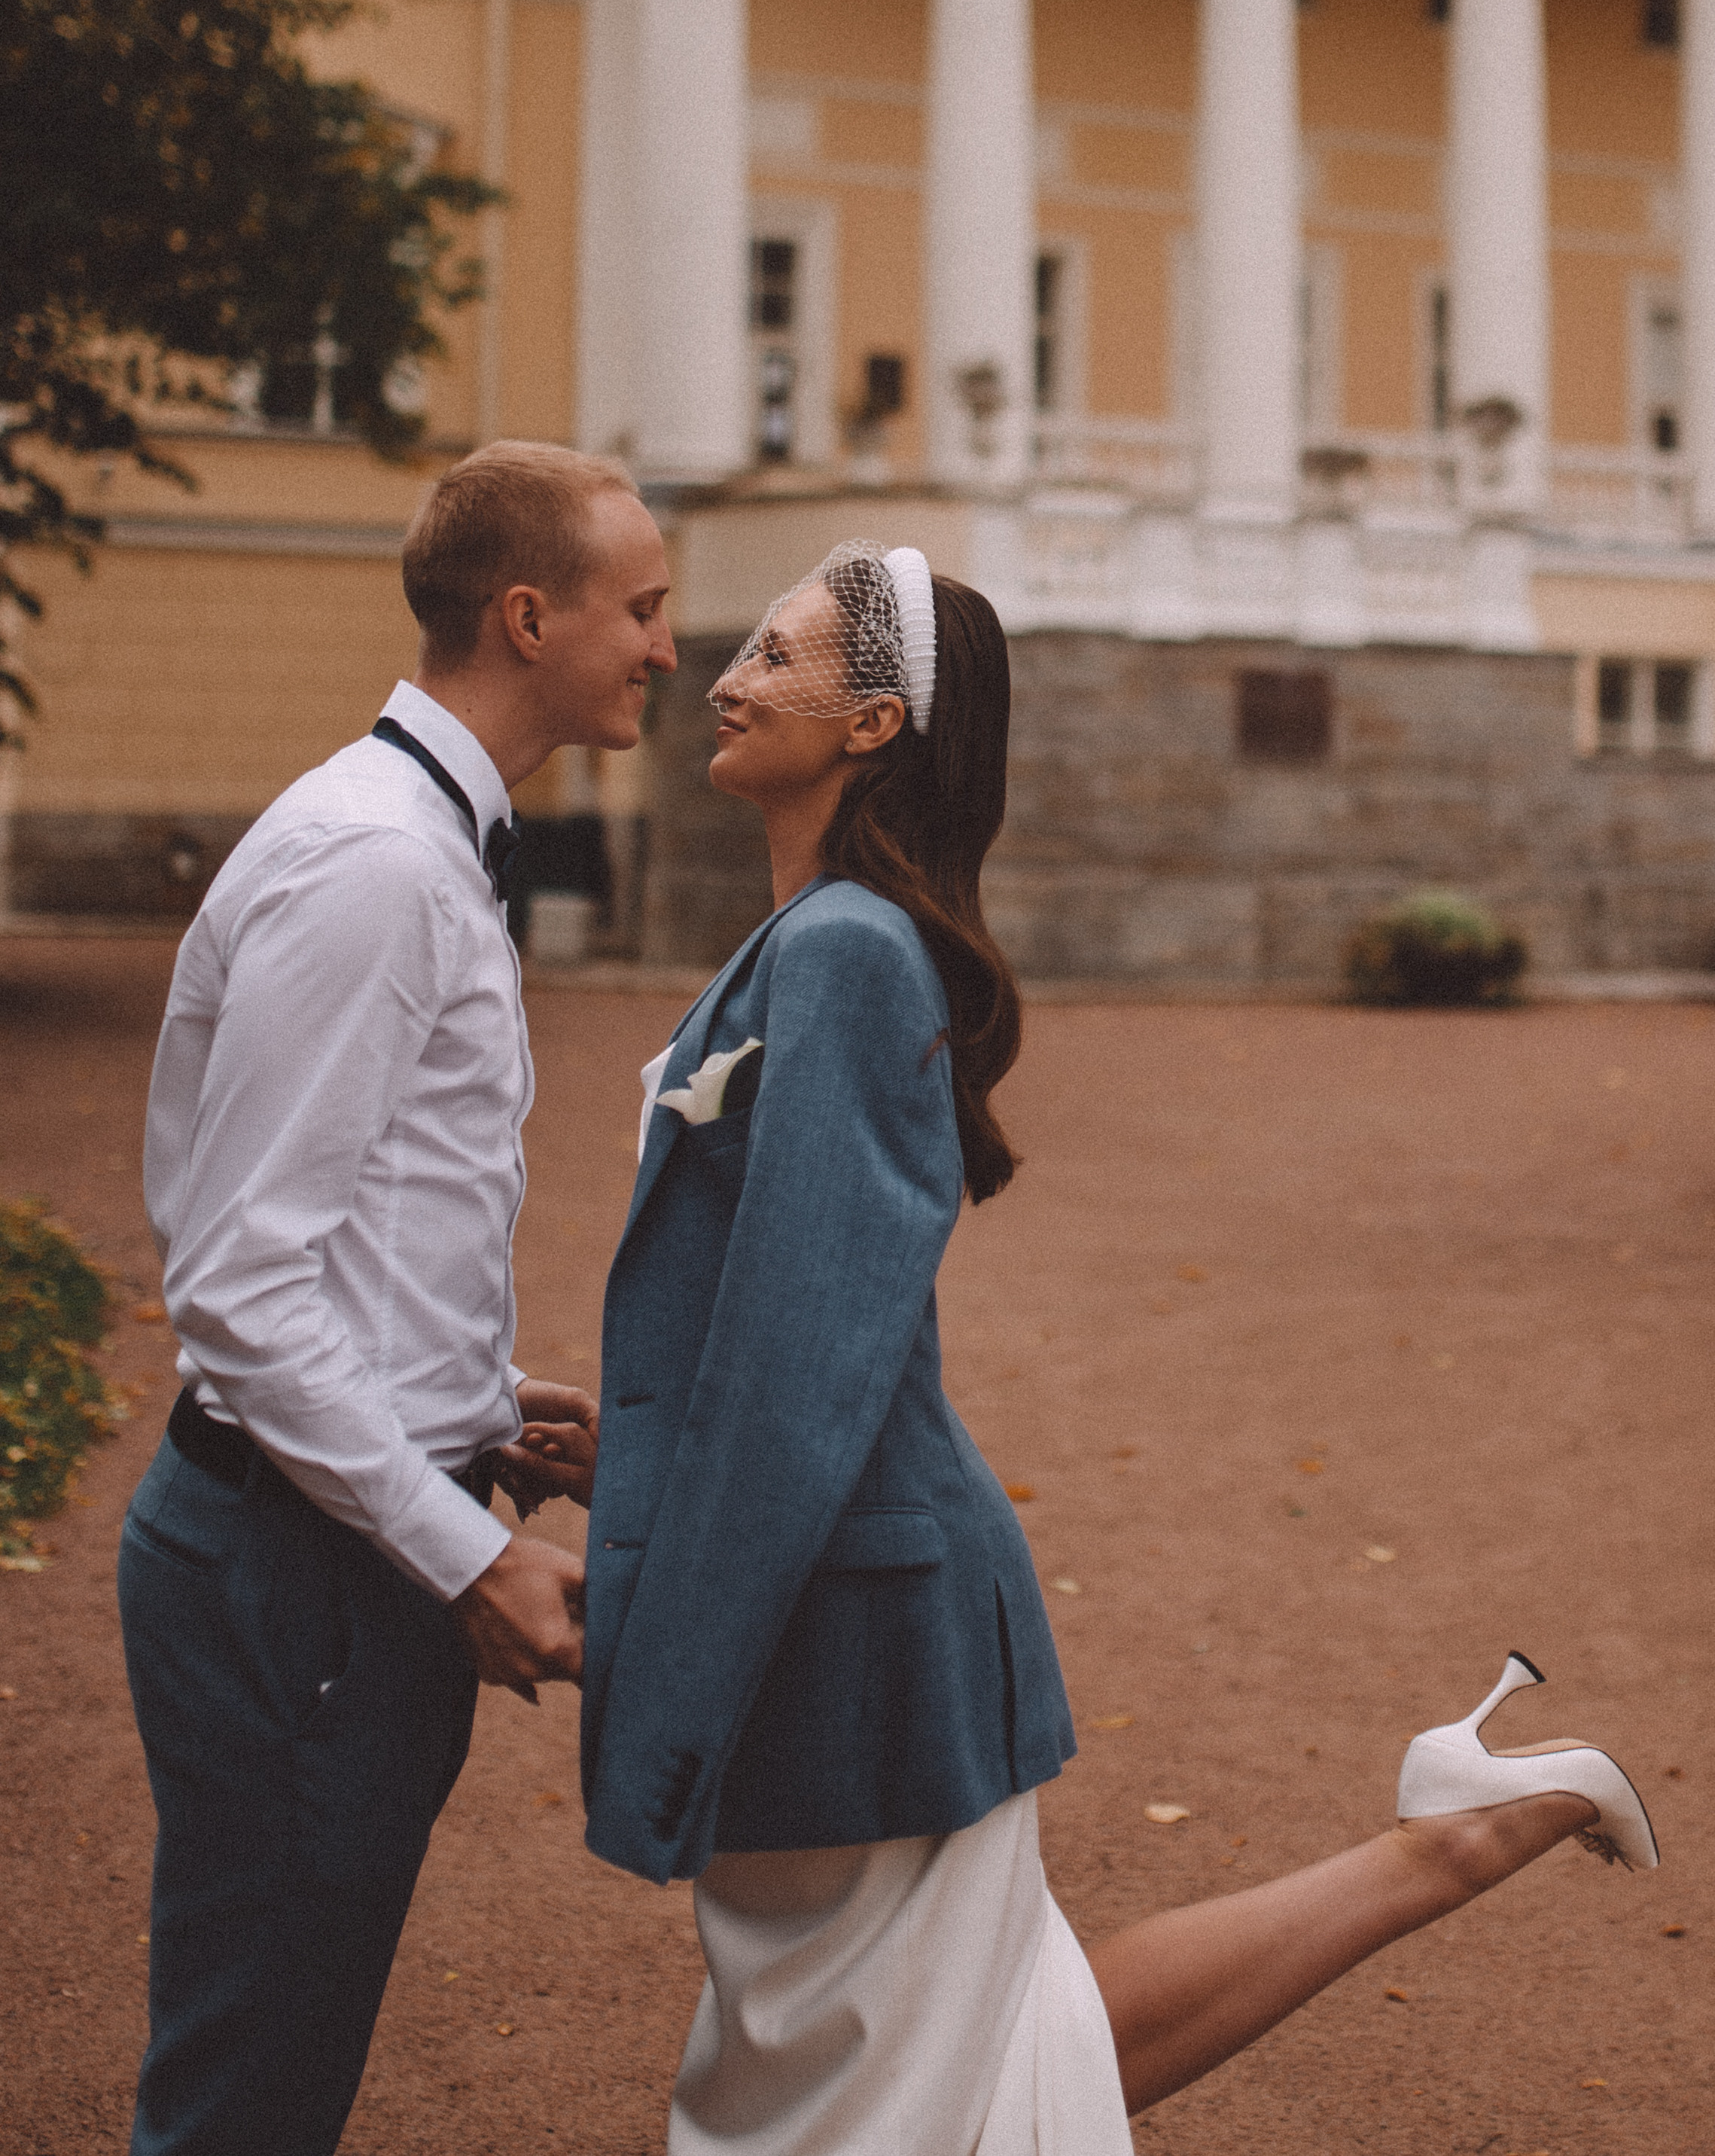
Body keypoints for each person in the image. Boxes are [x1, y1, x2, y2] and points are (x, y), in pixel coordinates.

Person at [532, 539, 1657, 2149]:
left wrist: (660, 1674)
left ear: (873, 722)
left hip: (856, 1637)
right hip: (846, 1605)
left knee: (876, 2102)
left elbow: (804, 1367)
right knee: (980, 2063)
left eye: (774, 657)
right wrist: (627, 1462)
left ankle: (1470, 1831)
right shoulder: (807, 940)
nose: (722, 675)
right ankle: (1465, 1828)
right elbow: (758, 1337)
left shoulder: (843, 952)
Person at [118, 441, 675, 2156]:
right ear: (527, 616)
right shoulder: (377, 865)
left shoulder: (415, 838)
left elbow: (335, 1235)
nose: (667, 647)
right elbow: (236, 1281)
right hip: (306, 1579)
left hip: (331, 1551)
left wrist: (472, 1392)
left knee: (275, 2064)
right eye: (642, 609)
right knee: (247, 2100)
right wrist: (472, 1554)